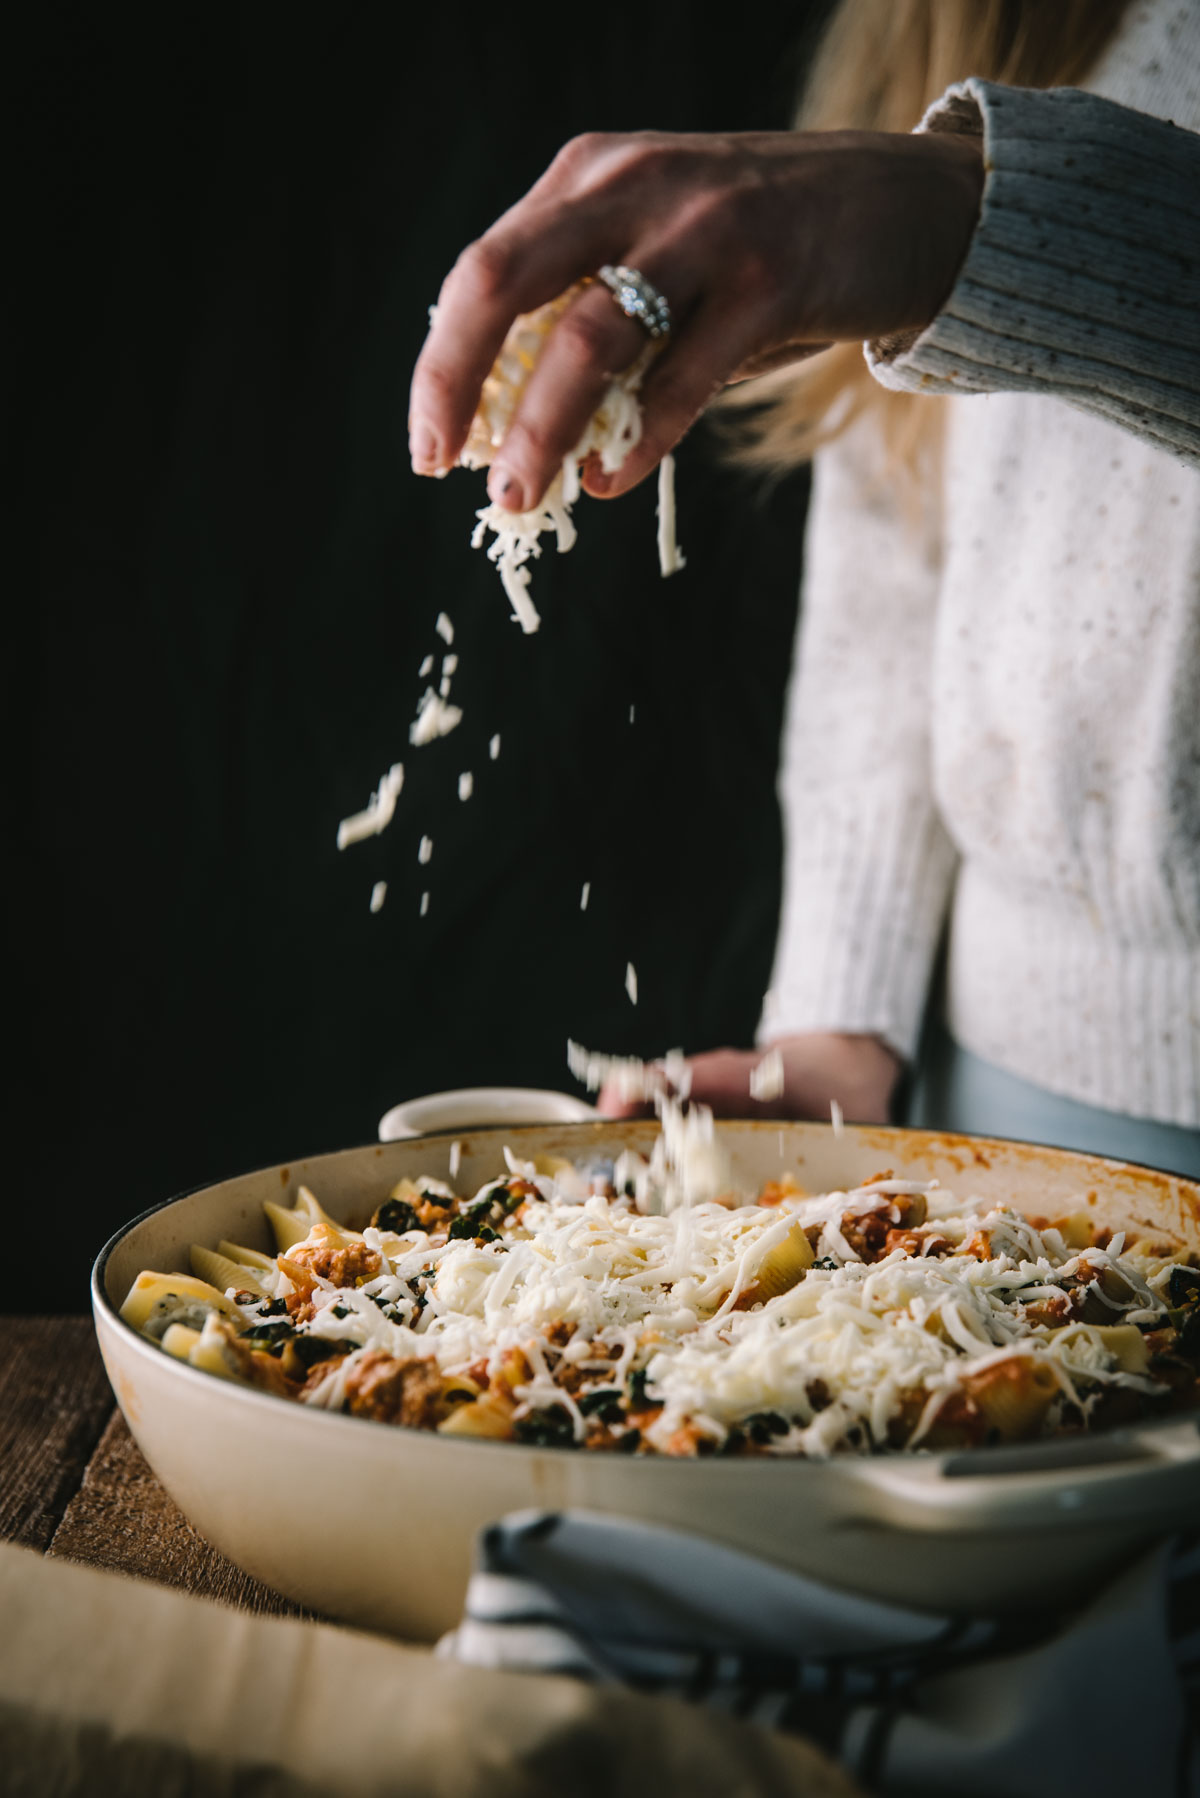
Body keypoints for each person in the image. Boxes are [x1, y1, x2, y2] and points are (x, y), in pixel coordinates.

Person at [410, 0, 1200, 1176]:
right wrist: (837, 1026)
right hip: (1002, 1085)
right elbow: (896, 570)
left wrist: (961, 219)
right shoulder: (971, 19)